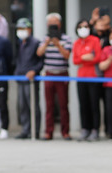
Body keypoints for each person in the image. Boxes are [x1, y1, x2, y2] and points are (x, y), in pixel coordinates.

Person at [37, 13, 73, 141]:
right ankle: (48, 132)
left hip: (62, 74)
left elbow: (67, 55)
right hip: (49, 74)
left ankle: (65, 132)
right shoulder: (45, 39)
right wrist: (47, 43)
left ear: (60, 24)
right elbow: (39, 53)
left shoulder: (66, 38)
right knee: (49, 104)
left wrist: (58, 44)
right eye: (51, 23)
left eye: (55, 23)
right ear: (47, 25)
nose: (53, 25)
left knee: (63, 104)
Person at [73, 19, 102, 142]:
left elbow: (97, 57)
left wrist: (84, 59)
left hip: (93, 76)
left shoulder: (94, 40)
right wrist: (85, 57)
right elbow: (75, 60)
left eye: (85, 26)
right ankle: (85, 128)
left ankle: (95, 129)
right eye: (81, 26)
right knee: (83, 104)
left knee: (94, 104)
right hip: (81, 76)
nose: (83, 28)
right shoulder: (77, 43)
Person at [13, 18, 43, 140]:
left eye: (23, 29)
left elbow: (41, 61)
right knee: (22, 106)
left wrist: (34, 71)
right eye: (19, 29)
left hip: (31, 80)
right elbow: (17, 60)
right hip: (20, 78)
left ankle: (35, 131)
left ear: (29, 29)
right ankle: (25, 130)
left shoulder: (35, 43)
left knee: (33, 106)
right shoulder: (19, 43)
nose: (21, 31)